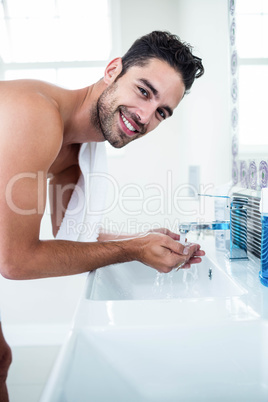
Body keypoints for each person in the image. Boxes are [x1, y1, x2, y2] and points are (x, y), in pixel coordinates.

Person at [0, 31, 205, 397]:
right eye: (144, 91)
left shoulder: (73, 152)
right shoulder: (37, 115)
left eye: (161, 112)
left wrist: (142, 241)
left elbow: (74, 238)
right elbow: (17, 261)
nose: (144, 117)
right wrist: (133, 249)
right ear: (113, 70)